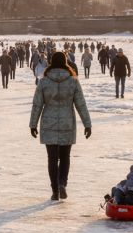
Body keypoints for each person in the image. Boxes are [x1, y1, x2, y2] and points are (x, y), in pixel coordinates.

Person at [29, 52, 92, 200]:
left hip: (48, 123)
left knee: (52, 157)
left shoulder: (43, 81)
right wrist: (87, 124)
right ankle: (62, 182)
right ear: (66, 62)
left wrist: (33, 124)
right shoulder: (73, 81)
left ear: (51, 62)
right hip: (67, 122)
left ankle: (55, 191)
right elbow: (80, 104)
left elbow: (37, 104)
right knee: (64, 156)